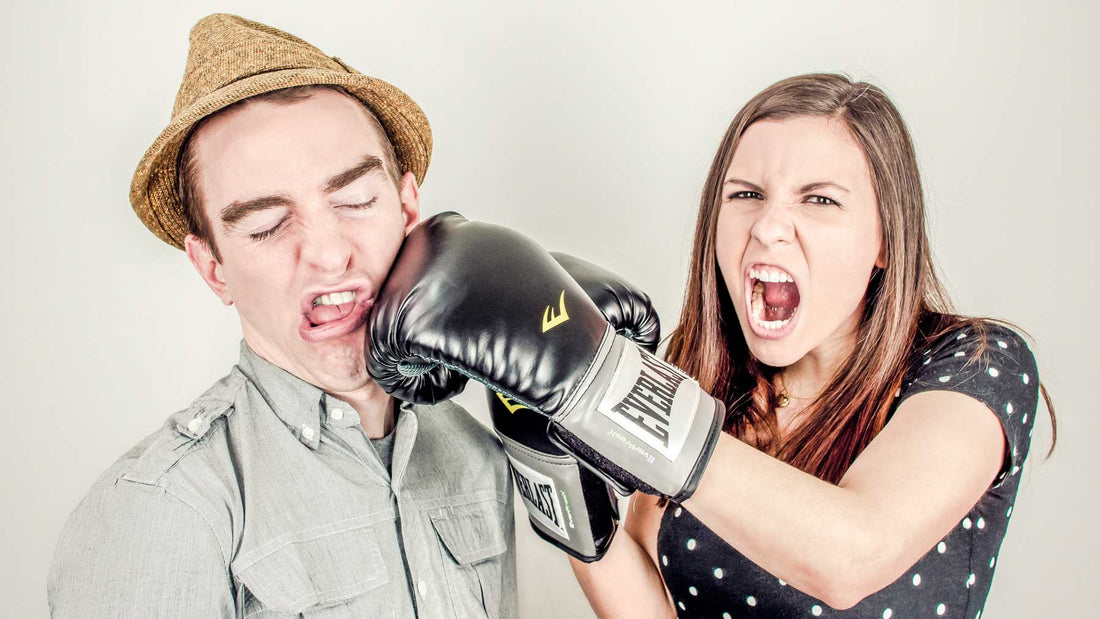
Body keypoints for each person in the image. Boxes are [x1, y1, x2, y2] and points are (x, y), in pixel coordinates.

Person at [47, 14, 515, 617]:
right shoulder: (160, 508)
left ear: (406, 207)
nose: (326, 252)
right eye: (267, 225)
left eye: (355, 200)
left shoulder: (478, 454)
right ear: (213, 267)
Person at [566, 74, 1057, 617]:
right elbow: (655, 604)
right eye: (747, 194)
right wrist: (552, 462)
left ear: (887, 242)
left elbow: (853, 555)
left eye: (820, 199)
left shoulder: (976, 363)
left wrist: (612, 392)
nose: (768, 226)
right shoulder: (704, 374)